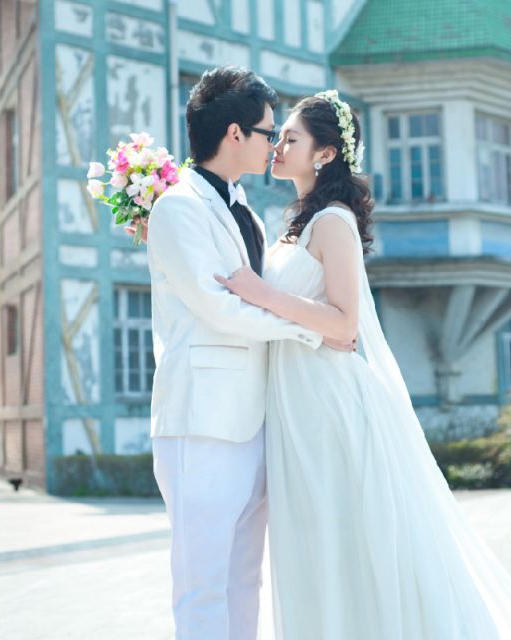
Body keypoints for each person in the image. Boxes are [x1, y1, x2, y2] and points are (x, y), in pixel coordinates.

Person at [215, 91, 511, 639]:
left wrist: (261, 293)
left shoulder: (333, 222)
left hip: (329, 403)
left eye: (291, 138)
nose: (277, 145)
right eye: (278, 137)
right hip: (296, 402)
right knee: (312, 542)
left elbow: (344, 324)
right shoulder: (293, 224)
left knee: (343, 538)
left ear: (325, 153)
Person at [140, 68, 354, 640]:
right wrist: (312, 332)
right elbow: (220, 309)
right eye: (267, 133)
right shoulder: (177, 208)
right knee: (202, 584)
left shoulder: (250, 214)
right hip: (201, 423)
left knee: (244, 582)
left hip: (256, 422)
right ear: (235, 133)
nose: (273, 145)